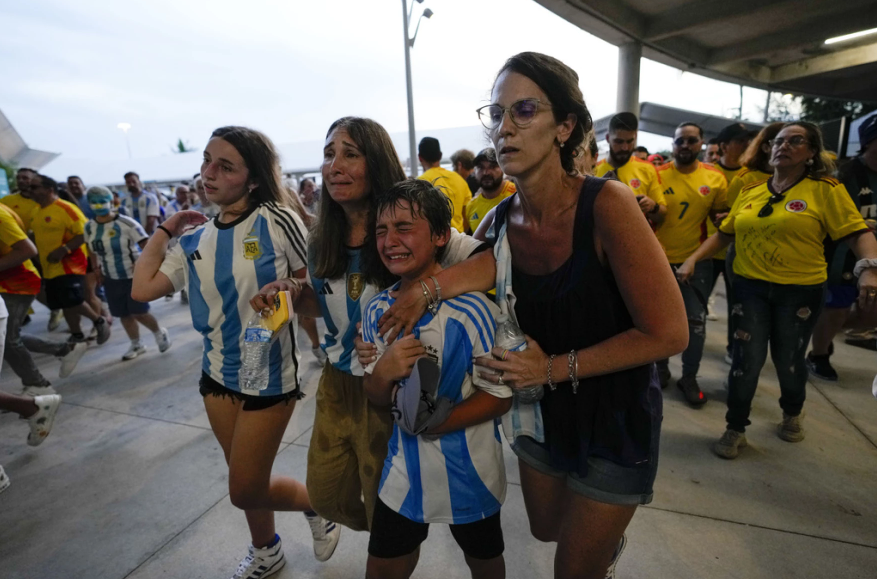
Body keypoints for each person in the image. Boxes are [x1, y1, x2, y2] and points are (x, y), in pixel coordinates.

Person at [470, 52, 687, 579]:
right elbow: (450, 281)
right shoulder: (497, 224)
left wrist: (549, 368)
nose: (505, 128)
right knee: (546, 529)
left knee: (573, 569)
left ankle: (598, 547)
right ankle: (600, 540)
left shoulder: (607, 203)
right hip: (540, 412)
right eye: (496, 114)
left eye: (524, 110)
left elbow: (669, 332)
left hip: (615, 414)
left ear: (565, 126)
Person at [254, 116, 491, 537]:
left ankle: (392, 549)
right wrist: (290, 294)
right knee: (325, 492)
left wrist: (425, 291)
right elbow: (326, 304)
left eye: (350, 154)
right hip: (336, 382)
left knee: (385, 512)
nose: (334, 165)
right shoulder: (319, 236)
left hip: (388, 387)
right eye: (329, 154)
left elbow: (489, 264)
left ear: (376, 161)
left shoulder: (406, 224)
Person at [131, 126, 339, 579]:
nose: (208, 174)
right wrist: (166, 229)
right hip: (215, 378)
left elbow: (322, 297)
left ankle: (317, 505)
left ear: (252, 179)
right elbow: (142, 288)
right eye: (206, 161)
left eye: (224, 166)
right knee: (248, 481)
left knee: (243, 489)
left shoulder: (275, 219)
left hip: (270, 378)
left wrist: (293, 287)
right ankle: (267, 550)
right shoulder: (193, 241)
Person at [676, 121, 877, 459]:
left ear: (811, 152)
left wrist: (869, 270)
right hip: (750, 288)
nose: (783, 146)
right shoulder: (752, 191)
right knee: (746, 360)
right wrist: (693, 259)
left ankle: (792, 411)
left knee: (788, 360)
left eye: (795, 141)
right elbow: (726, 233)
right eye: (778, 141)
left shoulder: (826, 189)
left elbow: (858, 233)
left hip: (800, 291)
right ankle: (735, 427)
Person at [361, 179, 511, 579]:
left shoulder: (476, 310)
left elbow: (500, 396)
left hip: (471, 474)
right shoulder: (378, 308)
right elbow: (375, 396)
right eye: (381, 230)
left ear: (442, 235)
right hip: (402, 476)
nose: (390, 240)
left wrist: (437, 423)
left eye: (404, 228)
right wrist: (383, 371)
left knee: (485, 563)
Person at [653, 123, 729, 404]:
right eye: (680, 141)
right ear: (673, 144)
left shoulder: (715, 178)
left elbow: (722, 223)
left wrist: (726, 218)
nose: (685, 145)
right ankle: (659, 368)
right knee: (657, 320)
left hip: (695, 263)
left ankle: (689, 377)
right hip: (656, 260)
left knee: (695, 324)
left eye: (691, 140)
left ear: (702, 144)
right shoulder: (656, 174)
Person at [807, 113, 877, 380]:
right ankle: (819, 354)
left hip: (874, 257)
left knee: (870, 314)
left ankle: (818, 329)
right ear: (870, 141)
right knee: (835, 308)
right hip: (839, 256)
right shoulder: (844, 175)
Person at [0, 203, 87, 393]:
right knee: (7, 335)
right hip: (7, 284)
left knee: (8, 340)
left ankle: (38, 387)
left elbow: (27, 250)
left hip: (17, 284)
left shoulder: (0, 214)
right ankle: (65, 350)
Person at [84, 187, 171, 361]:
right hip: (110, 276)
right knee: (123, 314)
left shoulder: (126, 223)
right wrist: (96, 269)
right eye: (94, 202)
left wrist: (145, 264)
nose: (98, 205)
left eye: (102, 201)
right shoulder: (89, 227)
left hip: (133, 276)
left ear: (111, 201)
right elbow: (90, 249)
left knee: (139, 311)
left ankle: (159, 332)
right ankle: (136, 344)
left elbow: (148, 244)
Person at [29, 174, 111, 345]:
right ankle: (77, 334)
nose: (31, 191)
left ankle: (99, 321)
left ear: (49, 189)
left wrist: (64, 250)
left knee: (73, 299)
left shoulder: (66, 208)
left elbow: (85, 233)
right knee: (64, 303)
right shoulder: (36, 211)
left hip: (70, 265)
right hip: (49, 267)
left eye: (35, 187)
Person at [594, 112, 667, 226]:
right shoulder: (593, 170)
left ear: (635, 137)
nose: (625, 147)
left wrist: (653, 207)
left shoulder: (647, 169)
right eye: (619, 141)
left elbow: (662, 216)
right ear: (608, 138)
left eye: (629, 141)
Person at [417, 137, 472, 233]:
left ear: (420, 158)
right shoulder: (459, 179)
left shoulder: (420, 183)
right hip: (459, 239)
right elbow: (467, 216)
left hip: (435, 241)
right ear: (440, 156)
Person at [464, 148, 517, 234]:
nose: (486, 172)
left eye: (492, 167)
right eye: (480, 167)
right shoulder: (471, 206)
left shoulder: (518, 195)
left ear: (502, 167)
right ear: (474, 171)